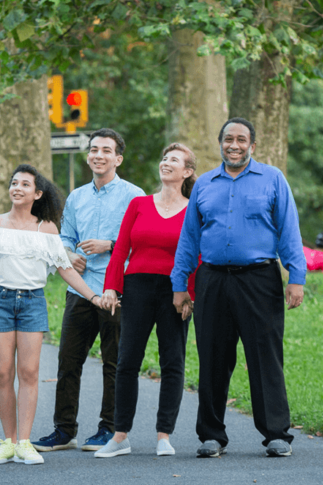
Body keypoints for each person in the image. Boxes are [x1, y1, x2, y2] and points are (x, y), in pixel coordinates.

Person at [171, 117, 306, 459]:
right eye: (228, 139)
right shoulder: (204, 184)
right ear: (220, 144)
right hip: (213, 279)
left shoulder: (273, 179)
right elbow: (189, 238)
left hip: (260, 280)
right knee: (213, 358)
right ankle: (211, 435)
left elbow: (289, 230)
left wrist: (297, 277)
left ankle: (276, 433)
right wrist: (179, 284)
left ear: (252, 145)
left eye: (241, 139)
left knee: (265, 357)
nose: (234, 145)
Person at [0, 164, 106, 466]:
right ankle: (8, 442)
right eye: (14, 183)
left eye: (24, 184)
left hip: (32, 303)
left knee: (28, 373)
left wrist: (93, 296)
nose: (17, 188)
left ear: (37, 193)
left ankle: (25, 443)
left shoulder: (46, 229)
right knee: (3, 374)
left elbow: (65, 269)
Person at [33, 128, 146, 453]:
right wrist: (68, 254)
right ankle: (63, 430)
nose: (99, 155)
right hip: (80, 291)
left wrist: (108, 244)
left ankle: (108, 429)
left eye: (106, 150)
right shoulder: (78, 197)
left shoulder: (134, 196)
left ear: (118, 158)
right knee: (68, 362)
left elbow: (141, 239)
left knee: (115, 364)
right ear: (88, 156)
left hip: (116, 291)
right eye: (94, 149)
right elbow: (65, 237)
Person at [95, 143, 199, 458]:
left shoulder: (194, 208)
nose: (166, 162)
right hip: (137, 287)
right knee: (126, 361)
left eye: (175, 160)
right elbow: (122, 247)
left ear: (187, 172)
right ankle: (120, 436)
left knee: (173, 362)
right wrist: (111, 287)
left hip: (175, 292)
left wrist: (189, 295)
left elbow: (197, 253)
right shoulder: (139, 204)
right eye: (164, 157)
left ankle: (164, 436)